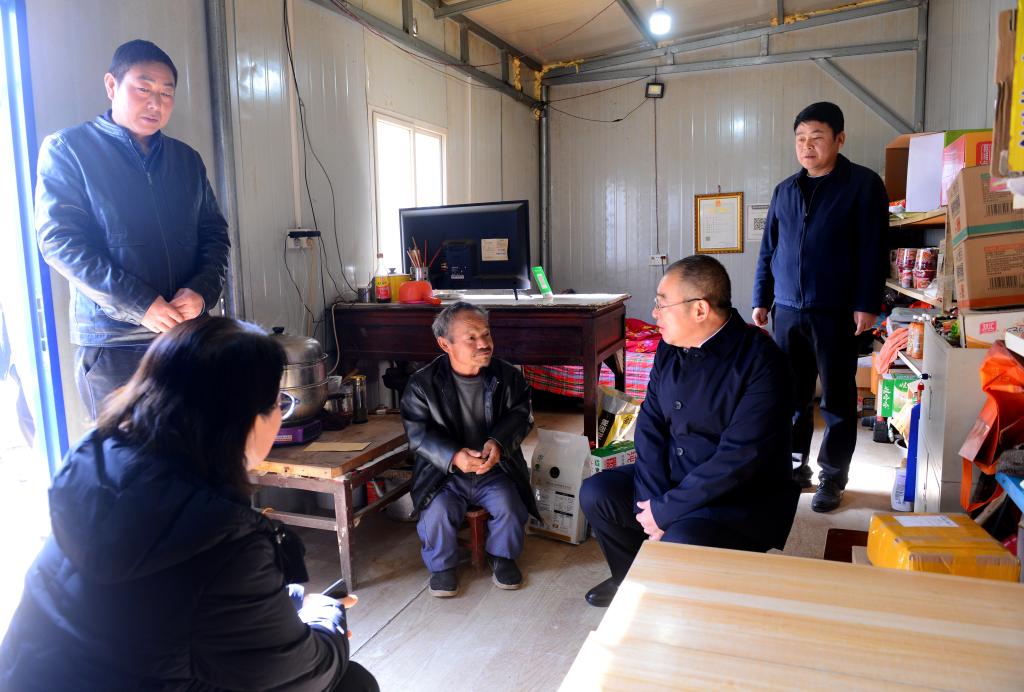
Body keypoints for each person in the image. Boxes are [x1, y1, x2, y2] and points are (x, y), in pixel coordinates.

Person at [0, 317, 378, 691]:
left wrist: (286, 601)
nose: (281, 414)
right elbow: (304, 673)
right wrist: (325, 616)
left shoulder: (98, 462)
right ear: (245, 420)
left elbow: (180, 606)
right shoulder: (223, 540)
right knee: (351, 683)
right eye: (279, 402)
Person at [580, 256, 799, 608]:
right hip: (676, 477)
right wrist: (652, 505)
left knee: (680, 540)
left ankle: (671, 599)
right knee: (597, 492)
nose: (654, 313)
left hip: (737, 497)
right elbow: (651, 425)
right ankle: (630, 580)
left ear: (699, 309)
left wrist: (666, 511)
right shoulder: (669, 346)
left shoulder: (763, 362)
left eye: (661, 303)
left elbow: (739, 459)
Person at [35, 39, 230, 420]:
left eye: (166, 93)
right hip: (115, 345)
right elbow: (61, 243)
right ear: (112, 85)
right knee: (129, 452)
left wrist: (202, 292)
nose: (156, 103)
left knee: (200, 445)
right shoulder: (69, 150)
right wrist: (140, 305)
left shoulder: (186, 160)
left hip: (187, 336)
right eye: (143, 89)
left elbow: (215, 235)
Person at [752, 101, 889, 512]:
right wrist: (761, 298)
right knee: (791, 397)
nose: (807, 147)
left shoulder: (863, 185)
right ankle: (796, 468)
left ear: (839, 139)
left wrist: (867, 303)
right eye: (800, 139)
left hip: (836, 311)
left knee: (837, 400)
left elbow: (874, 249)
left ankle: (833, 477)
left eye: (817, 138)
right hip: (787, 312)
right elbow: (768, 250)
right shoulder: (785, 191)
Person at [401, 301, 539, 597]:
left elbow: (521, 414)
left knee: (510, 505)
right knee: (437, 512)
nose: (484, 344)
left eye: (486, 334)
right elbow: (417, 434)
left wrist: (498, 442)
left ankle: (502, 557)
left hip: (495, 468)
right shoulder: (422, 384)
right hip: (443, 473)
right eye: (471, 338)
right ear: (445, 344)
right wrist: (453, 456)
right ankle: (442, 567)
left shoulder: (508, 376)